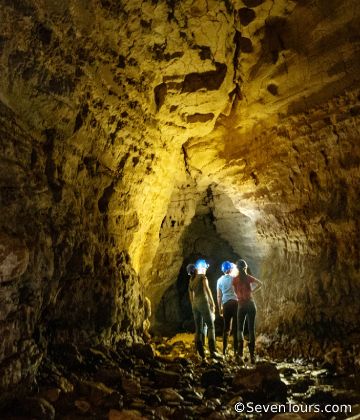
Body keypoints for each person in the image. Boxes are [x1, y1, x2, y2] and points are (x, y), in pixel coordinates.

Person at [188, 259, 221, 360]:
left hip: (195, 305)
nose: (206, 269)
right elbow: (207, 289)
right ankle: (213, 351)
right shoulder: (202, 277)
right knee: (211, 326)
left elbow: (191, 297)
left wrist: (194, 305)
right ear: (200, 268)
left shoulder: (190, 281)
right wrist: (212, 303)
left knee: (198, 328)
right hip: (203, 302)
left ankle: (200, 352)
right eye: (205, 267)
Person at [233, 259, 262, 364]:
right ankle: (252, 356)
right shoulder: (249, 278)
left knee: (240, 329)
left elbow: (235, 291)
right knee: (251, 329)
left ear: (237, 268)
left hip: (241, 305)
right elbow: (260, 284)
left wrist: (239, 296)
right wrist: (252, 291)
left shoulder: (235, 280)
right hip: (250, 303)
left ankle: (240, 353)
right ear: (245, 267)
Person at [217, 261, 238, 356]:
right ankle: (236, 351)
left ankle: (224, 351)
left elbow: (219, 296)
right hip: (235, 303)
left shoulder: (219, 280)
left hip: (225, 304)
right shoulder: (234, 279)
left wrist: (219, 307)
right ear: (230, 269)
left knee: (226, 328)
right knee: (236, 327)